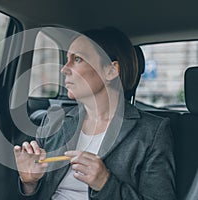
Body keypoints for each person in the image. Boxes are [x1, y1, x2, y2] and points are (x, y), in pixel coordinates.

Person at [13, 27, 176, 200]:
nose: (64, 69)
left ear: (111, 70)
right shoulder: (54, 120)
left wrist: (105, 183)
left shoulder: (152, 132)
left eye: (77, 59)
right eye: (67, 59)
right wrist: (29, 182)